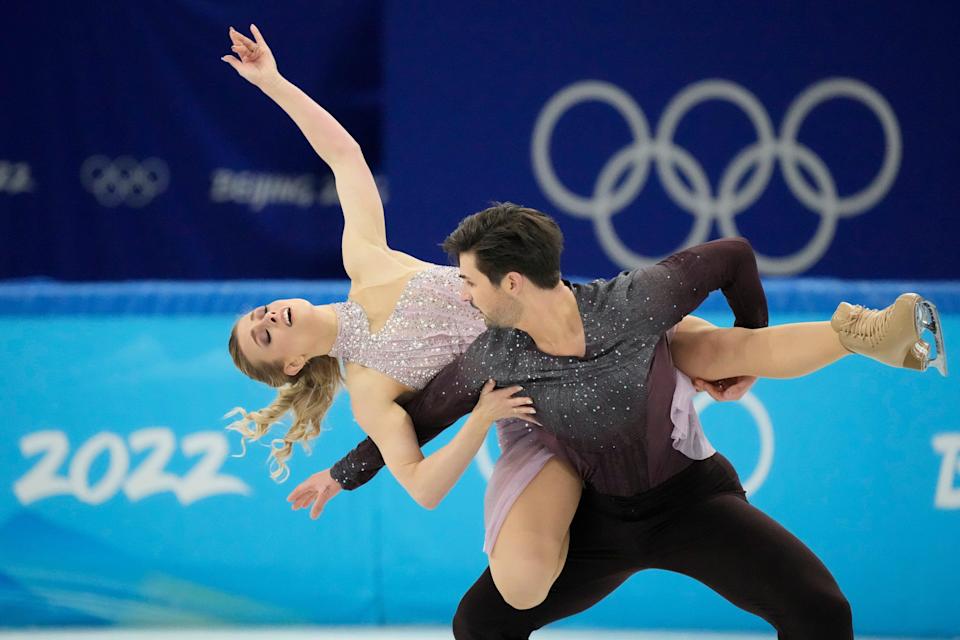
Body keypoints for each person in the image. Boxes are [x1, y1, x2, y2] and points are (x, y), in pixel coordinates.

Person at [219, 26, 947, 618]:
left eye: (257, 314)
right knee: (522, 578)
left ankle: (865, 334)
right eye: (264, 334)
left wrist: (273, 83)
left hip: (573, 330)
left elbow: (343, 153)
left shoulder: (364, 258)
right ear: (288, 365)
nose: (266, 315)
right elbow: (421, 436)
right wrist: (346, 475)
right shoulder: (373, 384)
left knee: (712, 344)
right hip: (529, 406)